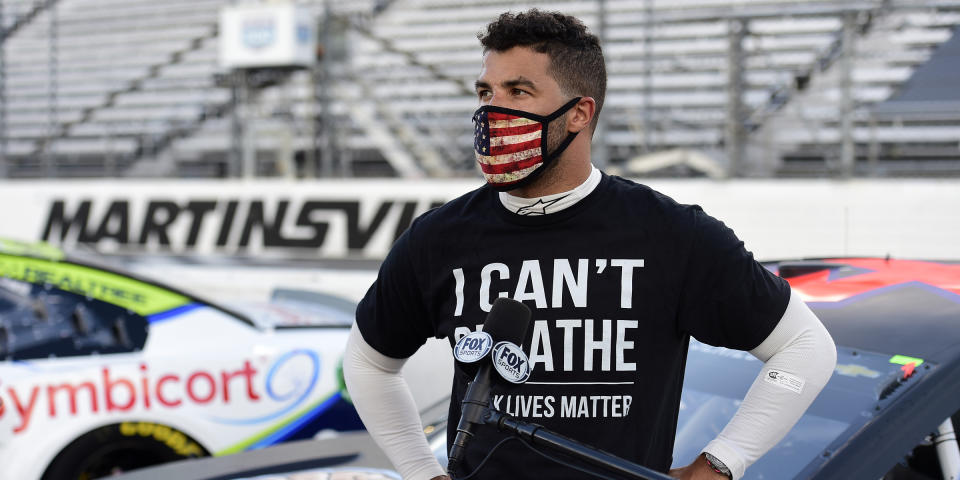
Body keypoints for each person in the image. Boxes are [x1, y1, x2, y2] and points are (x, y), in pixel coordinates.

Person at [343, 9, 836, 480]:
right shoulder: (439, 237)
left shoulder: (670, 234)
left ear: (579, 113)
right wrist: (420, 470)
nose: (492, 111)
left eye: (518, 92)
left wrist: (723, 462)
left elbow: (805, 348)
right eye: (485, 91)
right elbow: (368, 363)